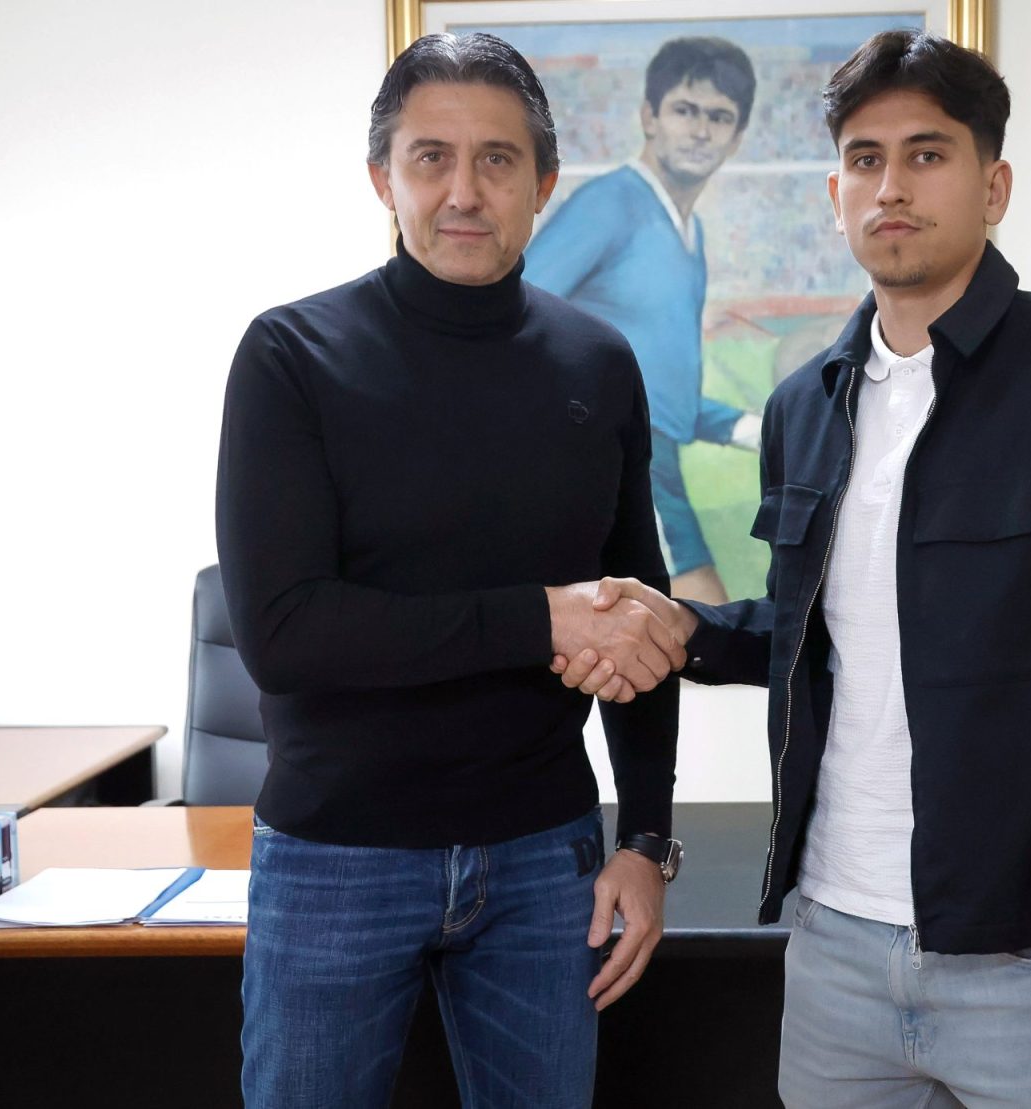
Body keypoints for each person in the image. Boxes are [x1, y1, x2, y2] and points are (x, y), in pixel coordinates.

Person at [555, 29, 1031, 1109]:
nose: (892, 186)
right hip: (835, 949)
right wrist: (681, 627)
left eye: (927, 154)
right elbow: (821, 629)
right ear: (836, 196)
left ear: (993, 185)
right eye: (865, 160)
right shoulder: (805, 406)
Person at [216, 32, 687, 1109]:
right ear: (382, 177)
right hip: (336, 859)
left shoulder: (598, 362)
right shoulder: (291, 357)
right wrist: (542, 618)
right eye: (431, 158)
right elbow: (284, 634)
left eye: (497, 160)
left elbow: (638, 616)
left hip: (544, 860)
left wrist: (647, 840)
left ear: (545, 183)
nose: (464, 192)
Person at [525, 37, 761, 605]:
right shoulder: (610, 204)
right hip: (619, 461)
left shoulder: (690, 232)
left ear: (736, 137)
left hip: (658, 462)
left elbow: (663, 390)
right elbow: (515, 313)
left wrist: (749, 426)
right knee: (698, 624)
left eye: (719, 117)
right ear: (649, 117)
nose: (700, 130)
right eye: (685, 110)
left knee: (689, 635)